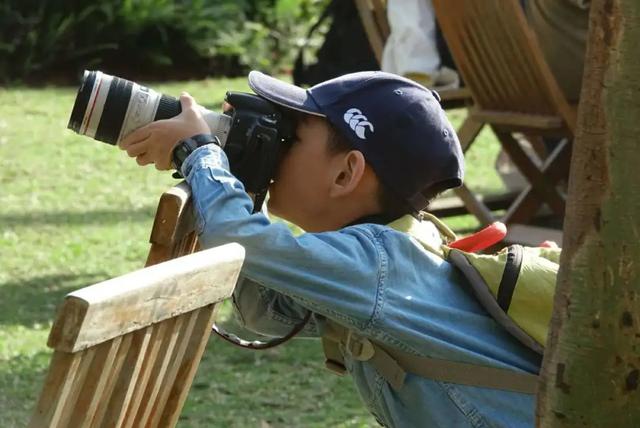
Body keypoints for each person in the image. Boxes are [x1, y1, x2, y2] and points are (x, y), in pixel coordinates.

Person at [119, 71, 541, 427]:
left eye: (291, 138)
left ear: (346, 174)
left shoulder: (376, 262)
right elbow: (262, 312)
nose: (277, 149)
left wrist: (199, 152)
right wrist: (244, 178)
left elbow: (238, 239)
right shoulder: (400, 247)